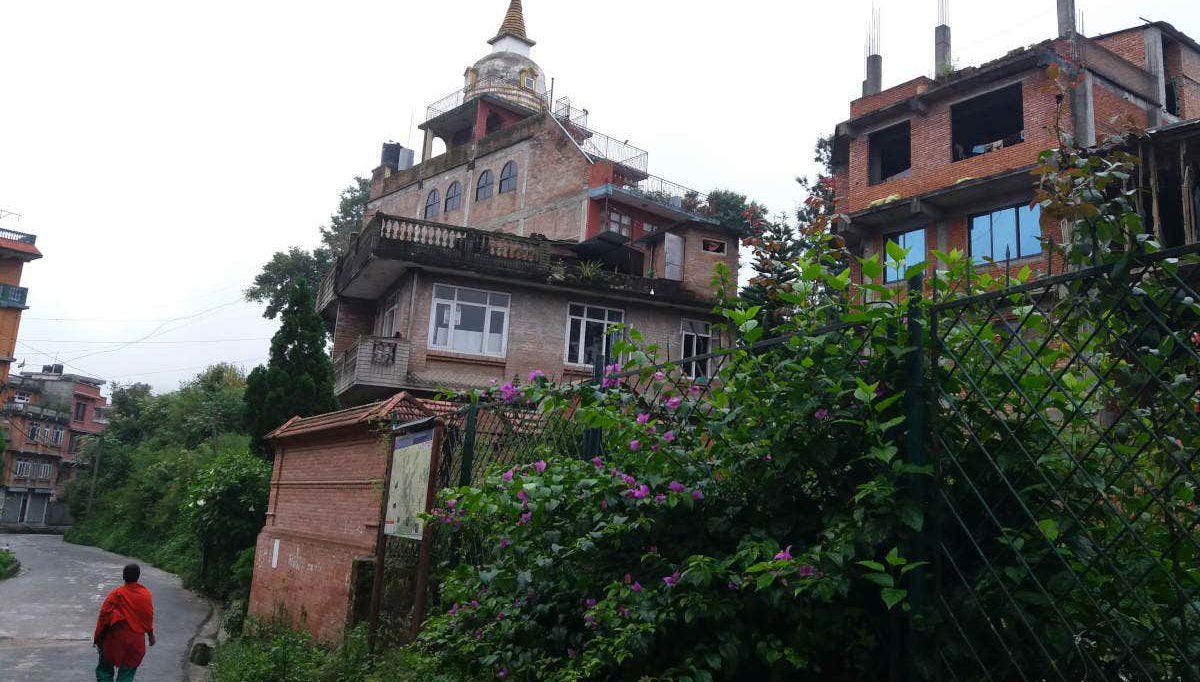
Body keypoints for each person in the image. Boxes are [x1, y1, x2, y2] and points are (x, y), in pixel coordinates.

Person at [94, 563, 155, 682]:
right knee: (127, 673)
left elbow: (104, 618)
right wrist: (151, 636)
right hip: (135, 643)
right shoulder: (145, 595)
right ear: (138, 576)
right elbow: (148, 618)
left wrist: (98, 639)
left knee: (104, 670)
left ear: (123, 576)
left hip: (115, 640)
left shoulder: (116, 594)